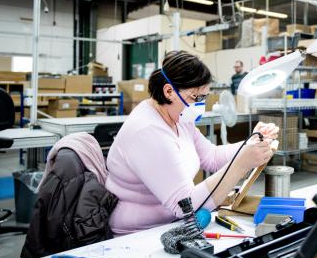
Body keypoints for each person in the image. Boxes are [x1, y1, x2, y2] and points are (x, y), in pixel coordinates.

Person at [106, 51, 278, 235]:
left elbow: (211, 157)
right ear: (169, 91)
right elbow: (184, 206)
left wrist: (252, 142)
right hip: (138, 235)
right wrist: (242, 163)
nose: (200, 105)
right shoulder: (147, 131)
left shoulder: (178, 118)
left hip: (171, 225)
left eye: (204, 98)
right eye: (196, 98)